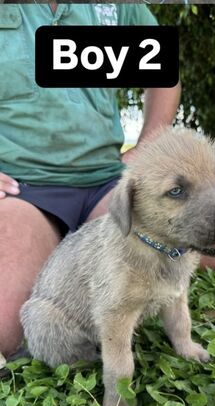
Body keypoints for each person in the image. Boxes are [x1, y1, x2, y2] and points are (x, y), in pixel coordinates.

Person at [0, 2, 181, 357]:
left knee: (209, 244)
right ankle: (46, 242)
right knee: (5, 327)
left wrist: (148, 147)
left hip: (107, 182)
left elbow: (164, 72)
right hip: (24, 187)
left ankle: (67, 244)